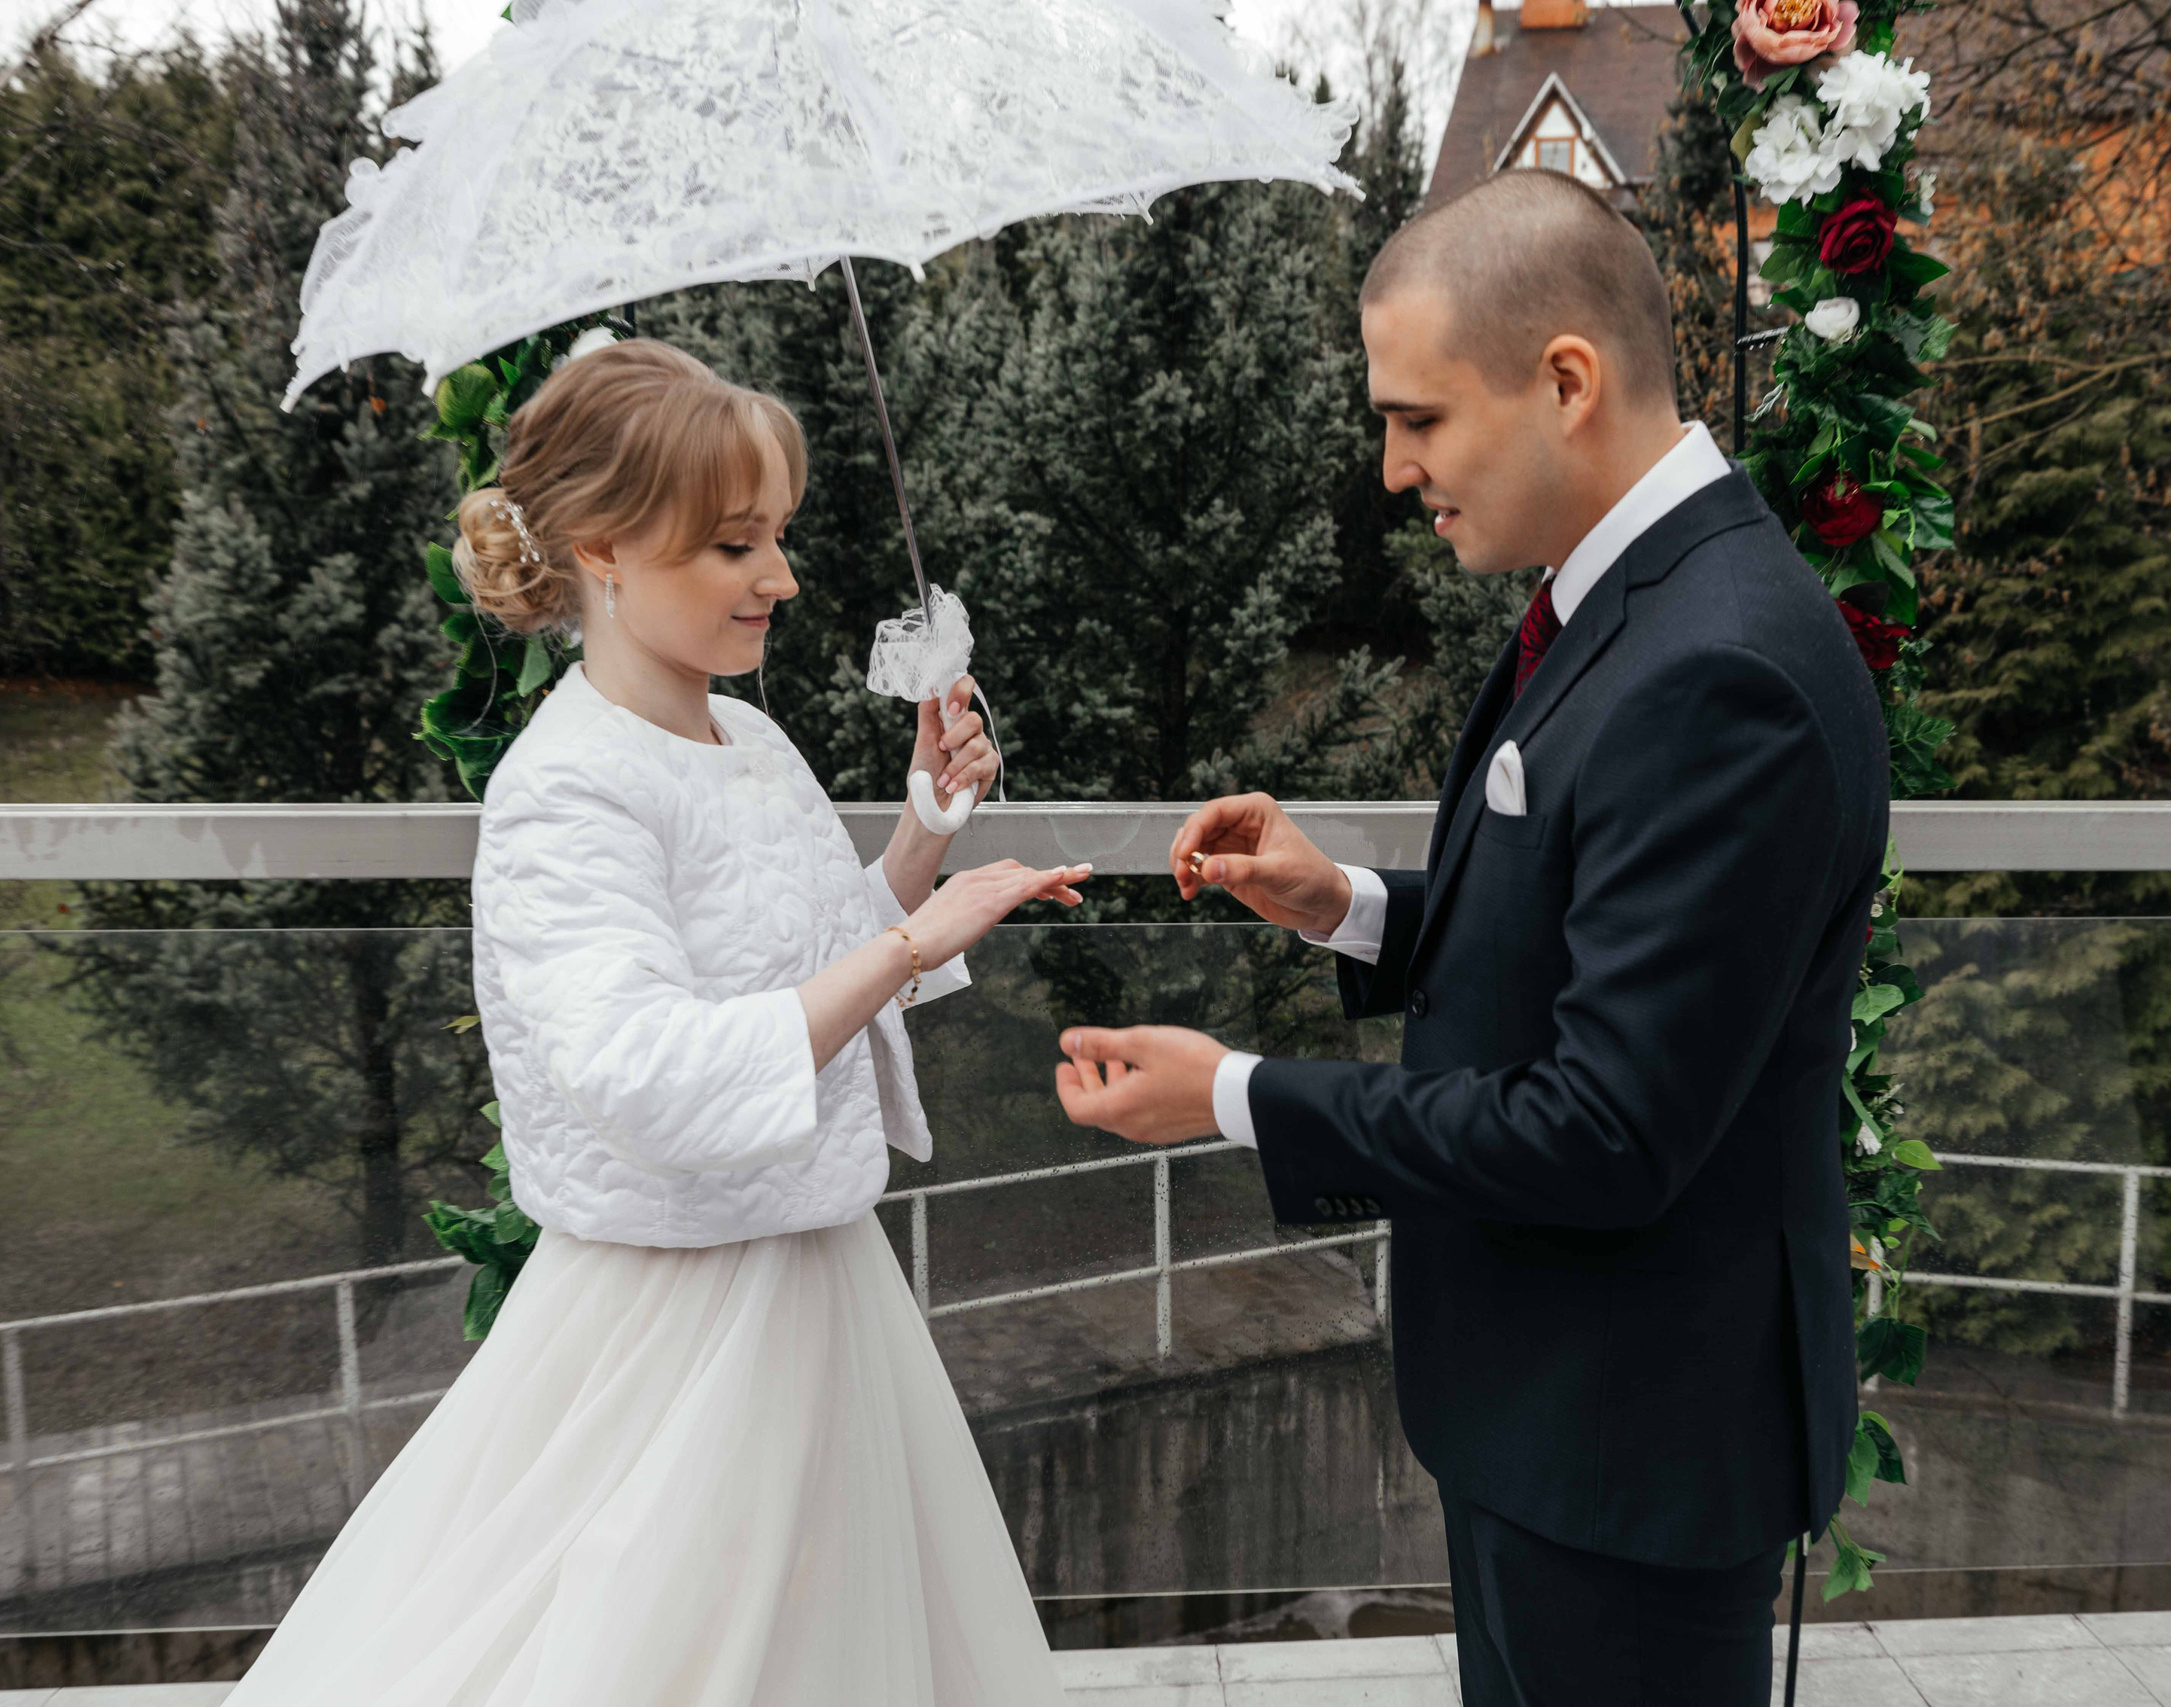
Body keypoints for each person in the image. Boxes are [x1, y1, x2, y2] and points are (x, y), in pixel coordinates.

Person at [1052, 170, 1889, 1706]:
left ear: (1566, 380)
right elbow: (1591, 938)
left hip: (1634, 1441)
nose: (1392, 470)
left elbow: (1607, 1125)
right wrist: (1345, 905)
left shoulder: (1721, 670)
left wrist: (1235, 1095)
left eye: (1418, 418)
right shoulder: (1641, 595)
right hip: (1558, 1415)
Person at [228, 341, 1083, 1707]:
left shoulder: (750, 740)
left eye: (780, 538)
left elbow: (805, 957)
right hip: (674, 1325)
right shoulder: (562, 791)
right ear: (604, 548)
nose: (784, 578)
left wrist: (924, 827)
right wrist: (918, 938)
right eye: (737, 543)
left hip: (809, 1282)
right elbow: (647, 1071)